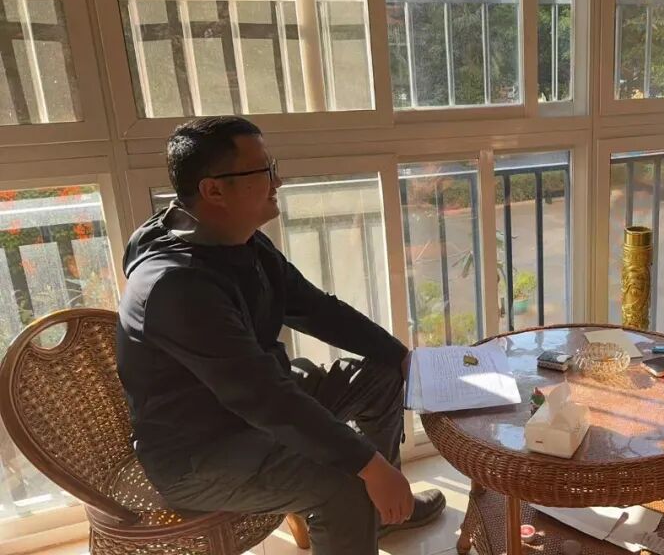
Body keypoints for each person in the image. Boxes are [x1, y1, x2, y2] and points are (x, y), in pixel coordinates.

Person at [116, 116, 444, 555]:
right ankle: (368, 499)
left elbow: (315, 308)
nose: (279, 181)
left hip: (253, 408)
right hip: (201, 452)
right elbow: (263, 398)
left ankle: (381, 515)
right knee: (345, 485)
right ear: (213, 190)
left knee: (382, 374)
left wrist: (401, 355)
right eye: (264, 171)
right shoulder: (176, 286)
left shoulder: (239, 240)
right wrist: (368, 465)